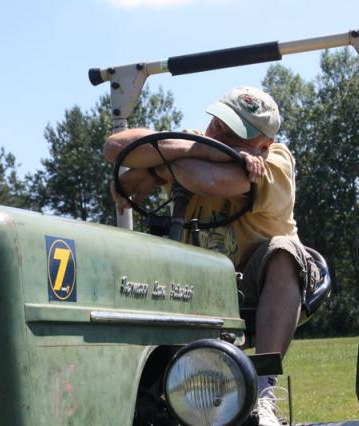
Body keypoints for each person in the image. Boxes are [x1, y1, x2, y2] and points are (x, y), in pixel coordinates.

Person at [103, 86, 318, 426]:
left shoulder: (276, 162)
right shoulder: (199, 143)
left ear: (263, 145)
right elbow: (115, 148)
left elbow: (210, 180)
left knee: (283, 250)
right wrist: (204, 149)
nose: (219, 132)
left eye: (236, 132)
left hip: (253, 286)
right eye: (219, 121)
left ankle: (263, 390)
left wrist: (159, 165)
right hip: (196, 288)